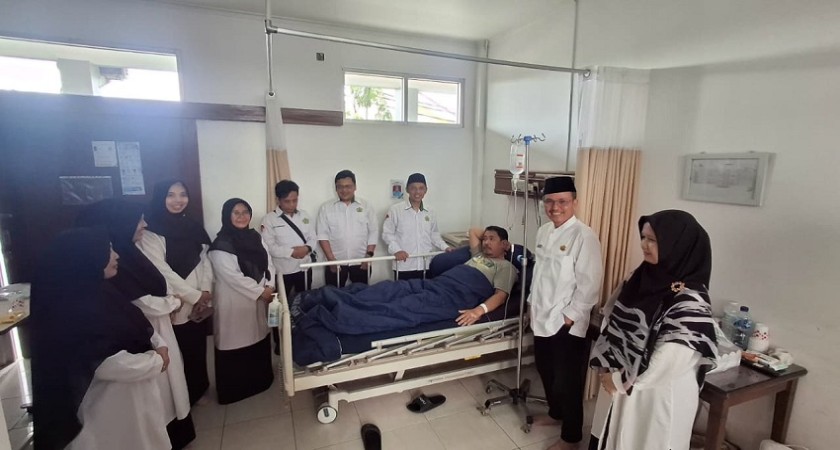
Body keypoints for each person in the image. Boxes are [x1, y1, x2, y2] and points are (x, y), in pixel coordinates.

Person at [291, 226, 518, 365]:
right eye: (485, 238)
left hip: (450, 298)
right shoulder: (478, 255)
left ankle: (327, 318)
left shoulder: (506, 267)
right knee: (386, 290)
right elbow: (474, 230)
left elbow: (501, 295)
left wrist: (478, 311)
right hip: (435, 284)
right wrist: (490, 236)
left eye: (492, 239)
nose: (485, 242)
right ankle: (317, 299)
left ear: (504, 244)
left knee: (396, 309)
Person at [588, 210, 718, 450]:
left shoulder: (691, 302)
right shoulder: (641, 277)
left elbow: (671, 357)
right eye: (643, 237)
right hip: (624, 381)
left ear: (677, 246)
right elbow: (613, 315)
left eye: (653, 240)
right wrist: (610, 361)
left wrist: (620, 380)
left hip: (657, 393)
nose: (643, 245)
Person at [30, 228, 170, 450]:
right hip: (105, 408)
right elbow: (105, 363)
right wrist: (157, 361)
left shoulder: (102, 291)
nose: (116, 255)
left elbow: (140, 324)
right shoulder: (73, 310)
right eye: (108, 250)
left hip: (132, 399)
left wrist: (158, 345)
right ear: (85, 258)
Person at [77, 199, 195, 449]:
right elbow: (139, 302)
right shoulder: (109, 267)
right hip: (141, 340)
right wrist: (173, 302)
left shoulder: (130, 252)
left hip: (155, 333)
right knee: (155, 400)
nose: (144, 224)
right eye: (138, 219)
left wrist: (170, 304)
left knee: (169, 389)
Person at [527, 176, 603, 450]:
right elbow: (539, 275)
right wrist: (530, 304)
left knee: (568, 381)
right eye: (549, 201)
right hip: (540, 316)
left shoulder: (584, 236)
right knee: (545, 370)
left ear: (574, 202)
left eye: (562, 201)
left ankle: (571, 438)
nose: (555, 207)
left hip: (566, 322)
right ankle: (555, 414)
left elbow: (590, 284)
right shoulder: (543, 231)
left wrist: (569, 318)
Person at [139, 180, 214, 405]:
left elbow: (205, 259)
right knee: (177, 350)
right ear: (160, 197)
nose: (178, 200)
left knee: (197, 348)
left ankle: (198, 389)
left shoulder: (192, 226)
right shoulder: (151, 231)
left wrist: (205, 290)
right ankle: (180, 399)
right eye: (170, 195)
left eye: (183, 194)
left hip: (200, 298)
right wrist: (194, 295)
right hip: (174, 300)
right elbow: (161, 270)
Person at [209, 198, 277, 404]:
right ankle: (235, 391)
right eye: (236, 213)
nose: (241, 217)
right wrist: (260, 291)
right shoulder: (221, 245)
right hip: (234, 300)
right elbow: (232, 277)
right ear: (227, 215)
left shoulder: (255, 237)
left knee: (257, 335)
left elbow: (269, 262)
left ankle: (261, 381)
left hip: (258, 297)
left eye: (245, 212)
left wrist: (269, 285)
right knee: (236, 340)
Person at [260, 180, 316, 354]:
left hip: (304, 269)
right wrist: (291, 252)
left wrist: (307, 248)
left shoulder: (305, 215)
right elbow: (268, 247)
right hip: (281, 272)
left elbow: (313, 237)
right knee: (278, 309)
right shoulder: (269, 219)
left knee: (303, 305)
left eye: (295, 200)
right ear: (278, 200)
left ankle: (303, 338)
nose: (291, 205)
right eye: (287, 201)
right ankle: (279, 342)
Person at [382, 173, 452, 280]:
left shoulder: (430, 211)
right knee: (404, 291)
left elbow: (434, 235)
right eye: (413, 188)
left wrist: (446, 247)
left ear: (426, 190)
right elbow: (387, 234)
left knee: (426, 290)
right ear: (407, 189)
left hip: (426, 265)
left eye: (421, 188)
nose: (417, 192)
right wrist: (397, 250)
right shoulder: (395, 210)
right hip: (404, 265)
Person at [316, 170, 378, 286]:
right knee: (333, 294)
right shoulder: (326, 208)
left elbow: (373, 232)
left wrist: (368, 256)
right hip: (335, 262)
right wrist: (331, 260)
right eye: (340, 187)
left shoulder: (366, 206)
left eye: (348, 186)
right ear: (336, 188)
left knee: (361, 293)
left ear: (355, 187)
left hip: (361, 261)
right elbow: (322, 235)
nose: (344, 190)